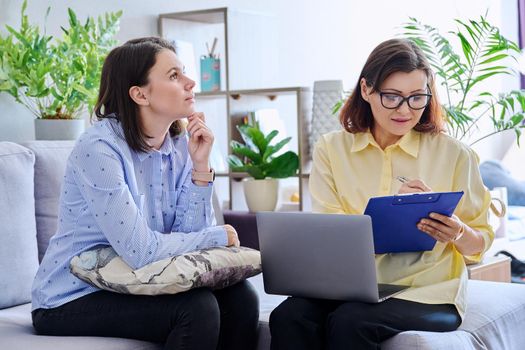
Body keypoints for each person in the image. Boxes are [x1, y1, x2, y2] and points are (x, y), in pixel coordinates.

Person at [31, 37, 259, 350]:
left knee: (241, 298)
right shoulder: (99, 149)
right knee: (196, 309)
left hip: (138, 281)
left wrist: (201, 166)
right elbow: (141, 250)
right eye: (174, 76)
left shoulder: (180, 145)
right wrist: (218, 236)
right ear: (140, 94)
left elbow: (185, 241)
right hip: (71, 296)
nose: (190, 83)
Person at [270, 38, 494, 349]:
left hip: (427, 292)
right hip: (351, 287)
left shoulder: (455, 155)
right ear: (366, 90)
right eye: (392, 97)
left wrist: (457, 231)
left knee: (350, 321)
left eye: (417, 97)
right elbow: (329, 235)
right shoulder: (331, 150)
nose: (406, 110)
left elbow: (479, 244)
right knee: (289, 316)